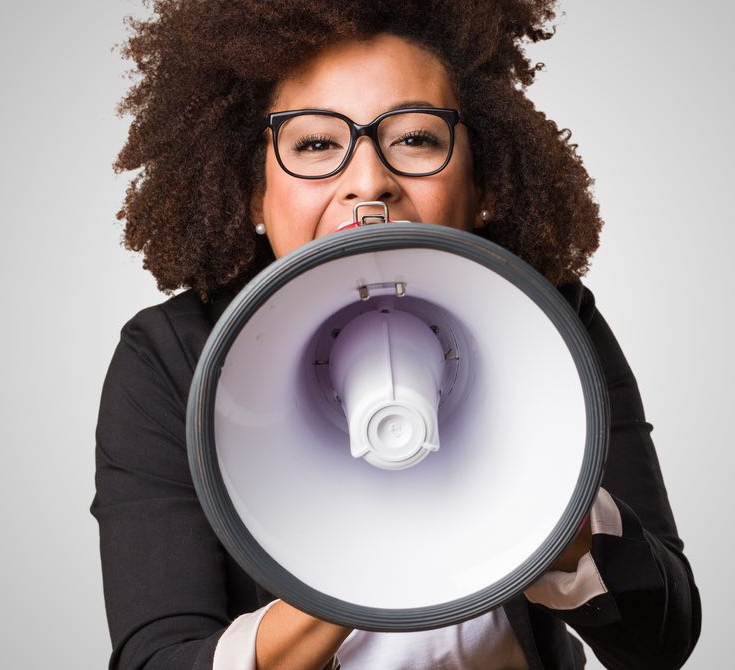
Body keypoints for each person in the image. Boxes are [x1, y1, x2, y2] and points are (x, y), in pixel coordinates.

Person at [92, 1, 701, 668]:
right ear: (252, 195)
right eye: (316, 143)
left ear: (482, 182)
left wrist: (561, 525)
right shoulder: (173, 359)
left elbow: (659, 643)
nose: (369, 181)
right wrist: (372, 561)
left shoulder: (556, 324)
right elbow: (158, 656)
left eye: (414, 138)